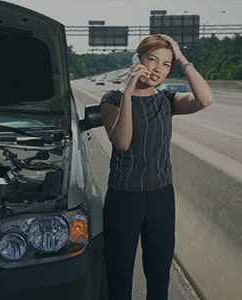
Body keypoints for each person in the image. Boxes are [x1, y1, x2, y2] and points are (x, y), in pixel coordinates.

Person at [100, 34, 213, 300]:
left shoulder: (167, 101)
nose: (158, 69)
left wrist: (181, 56)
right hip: (124, 198)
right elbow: (122, 142)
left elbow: (205, 99)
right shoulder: (112, 99)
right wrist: (128, 92)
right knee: (119, 278)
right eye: (153, 60)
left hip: (161, 197)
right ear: (137, 59)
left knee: (159, 279)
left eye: (166, 64)